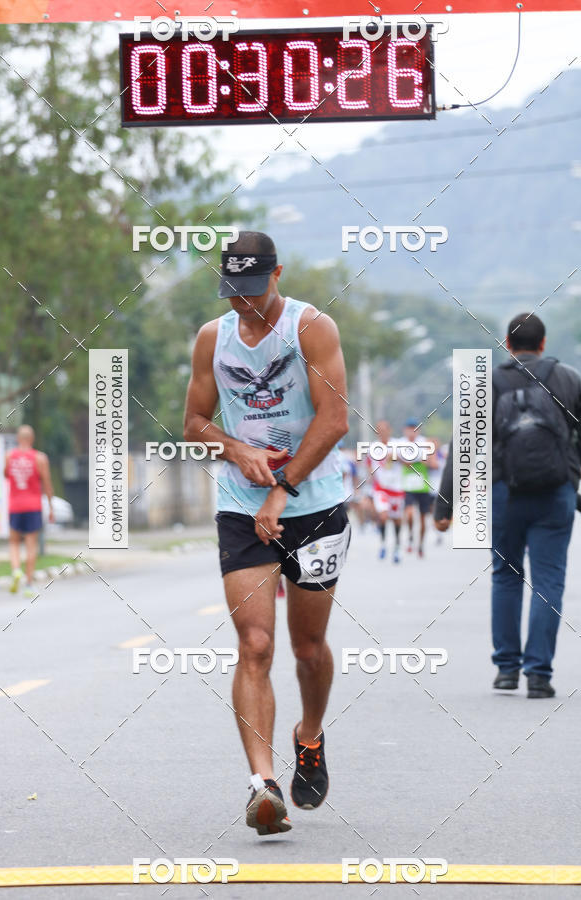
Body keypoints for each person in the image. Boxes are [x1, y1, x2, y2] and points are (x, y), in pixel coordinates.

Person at [183, 231, 350, 835]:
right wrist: (234, 447)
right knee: (255, 645)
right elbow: (194, 421)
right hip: (240, 507)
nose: (244, 305)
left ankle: (309, 735)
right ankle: (263, 783)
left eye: (254, 292)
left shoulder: (312, 328)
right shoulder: (212, 338)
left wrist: (284, 487)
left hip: (315, 506)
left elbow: (334, 420)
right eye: (234, 293)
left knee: (308, 649)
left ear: (278, 274)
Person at [434, 313, 581, 698]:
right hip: (556, 494)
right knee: (548, 581)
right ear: (543, 343)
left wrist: (444, 506)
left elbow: (463, 448)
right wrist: (574, 467)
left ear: (507, 344)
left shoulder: (487, 381)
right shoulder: (568, 378)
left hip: (504, 492)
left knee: (506, 576)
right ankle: (539, 674)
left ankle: (507, 669)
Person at [4, 425, 54, 597]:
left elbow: (5, 475)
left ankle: (16, 569)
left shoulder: (9, 456)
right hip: (33, 506)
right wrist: (51, 507)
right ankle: (28, 584)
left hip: (15, 506)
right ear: (31, 439)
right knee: (31, 545)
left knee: (14, 542)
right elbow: (47, 483)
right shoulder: (40, 458)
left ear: (18, 439)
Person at [366, 421, 405, 562]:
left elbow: (409, 462)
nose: (382, 432)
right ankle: (383, 544)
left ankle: (397, 547)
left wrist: (395, 457)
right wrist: (371, 476)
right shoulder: (372, 447)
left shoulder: (397, 445)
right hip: (380, 488)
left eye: (384, 429)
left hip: (397, 488)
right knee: (383, 516)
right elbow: (369, 464)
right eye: (379, 430)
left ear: (390, 430)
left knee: (396, 519)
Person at [401, 417, 434, 558]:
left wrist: (420, 460)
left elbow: (432, 462)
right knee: (408, 514)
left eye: (414, 429)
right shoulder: (400, 443)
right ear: (405, 430)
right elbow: (394, 457)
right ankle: (410, 536)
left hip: (423, 486)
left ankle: (420, 545)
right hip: (408, 485)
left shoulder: (424, 443)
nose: (411, 432)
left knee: (422, 519)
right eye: (409, 429)